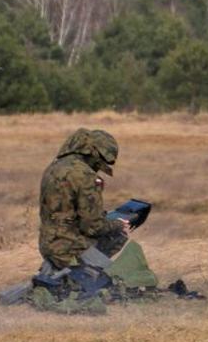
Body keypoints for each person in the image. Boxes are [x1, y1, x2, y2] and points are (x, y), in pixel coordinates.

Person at [28, 128, 136, 314]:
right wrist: (119, 224)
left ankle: (61, 273)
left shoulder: (54, 167)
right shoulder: (85, 175)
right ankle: (82, 274)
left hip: (48, 244)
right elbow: (93, 227)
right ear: (95, 153)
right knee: (117, 258)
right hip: (70, 248)